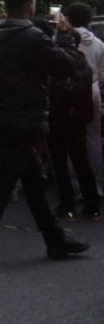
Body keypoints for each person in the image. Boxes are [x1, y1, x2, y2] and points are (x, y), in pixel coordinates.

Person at [0, 0, 88, 262]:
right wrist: (63, 36)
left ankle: (55, 241)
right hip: (21, 117)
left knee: (31, 181)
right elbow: (67, 66)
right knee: (1, 184)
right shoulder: (31, 37)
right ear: (30, 9)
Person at [47, 29, 99, 219]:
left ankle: (66, 205)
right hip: (78, 118)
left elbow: (52, 92)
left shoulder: (57, 66)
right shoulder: (85, 63)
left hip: (58, 118)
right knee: (81, 160)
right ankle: (92, 204)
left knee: (60, 163)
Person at [60, 2, 104, 198]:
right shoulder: (99, 44)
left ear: (68, 19)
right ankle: (97, 184)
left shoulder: (61, 40)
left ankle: (76, 185)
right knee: (93, 138)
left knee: (71, 140)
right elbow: (102, 75)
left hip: (69, 93)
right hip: (93, 91)